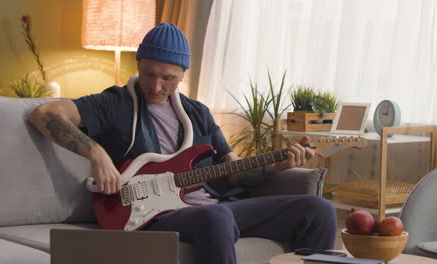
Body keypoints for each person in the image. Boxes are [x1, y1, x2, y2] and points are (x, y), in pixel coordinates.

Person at [29, 23, 337, 264]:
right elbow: (45, 113)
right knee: (217, 217)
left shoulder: (198, 113)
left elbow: (230, 172)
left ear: (183, 74)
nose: (156, 86)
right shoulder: (113, 103)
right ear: (138, 65)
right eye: (148, 74)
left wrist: (274, 166)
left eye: (168, 78)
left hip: (214, 208)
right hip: (154, 215)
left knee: (318, 209)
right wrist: (96, 153)